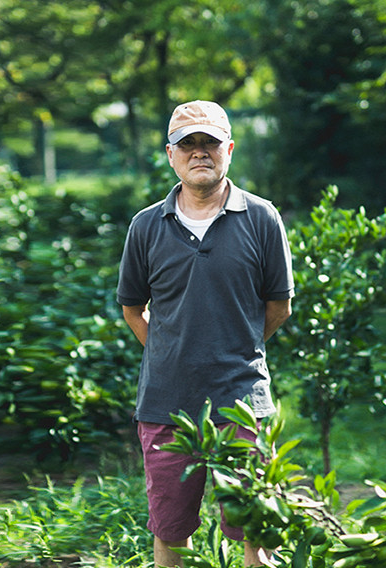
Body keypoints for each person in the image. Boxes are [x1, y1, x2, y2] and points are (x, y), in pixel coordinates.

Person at [116, 100, 294, 567]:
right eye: (187, 145)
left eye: (210, 143)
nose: (200, 154)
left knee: (254, 522)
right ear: (171, 155)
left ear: (229, 150)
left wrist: (235, 348)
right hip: (165, 402)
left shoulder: (261, 218)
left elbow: (279, 306)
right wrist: (173, 351)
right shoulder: (145, 226)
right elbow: (133, 308)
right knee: (172, 530)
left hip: (242, 400)